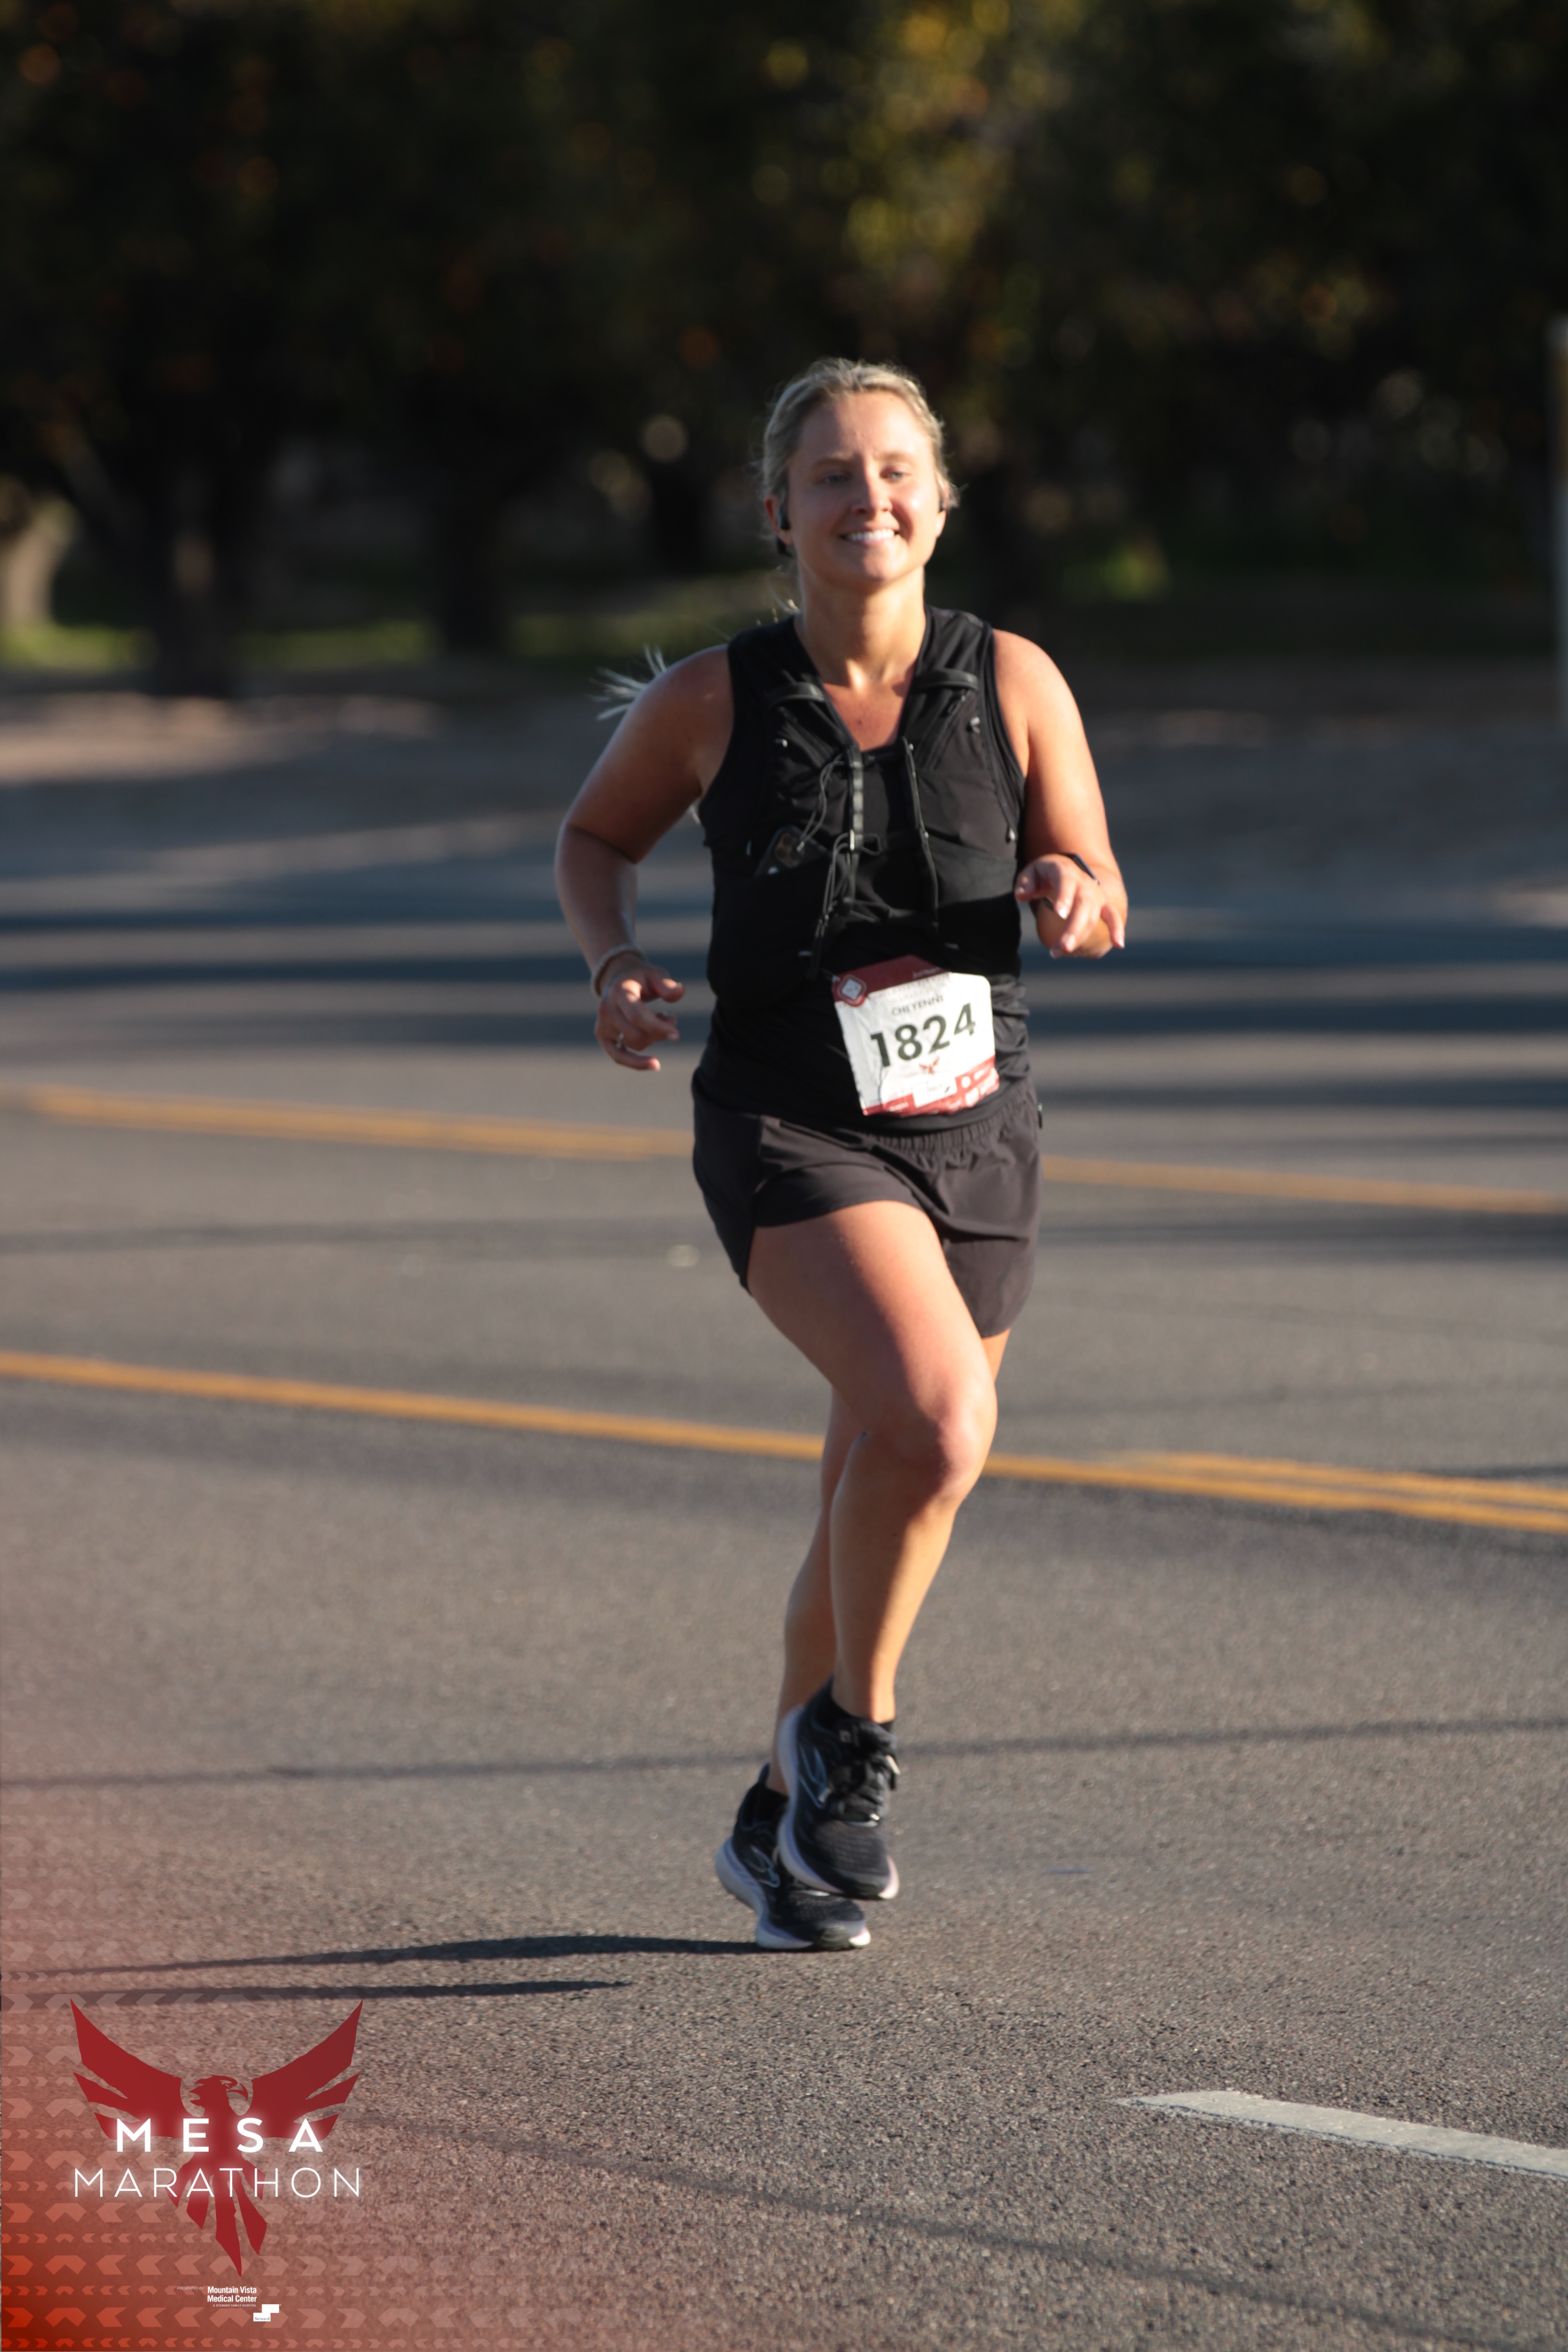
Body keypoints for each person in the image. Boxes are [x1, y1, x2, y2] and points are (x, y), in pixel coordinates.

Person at [556, 357, 1126, 1952]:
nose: (864, 497)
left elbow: (1096, 875)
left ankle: (775, 1823)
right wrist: (613, 962)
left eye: (893, 472)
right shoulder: (714, 700)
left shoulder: (1015, 680)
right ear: (777, 512)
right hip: (792, 1123)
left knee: (877, 1477)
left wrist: (1074, 894)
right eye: (830, 475)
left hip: (979, 1131)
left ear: (939, 504)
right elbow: (594, 838)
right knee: (938, 1429)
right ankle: (851, 1746)